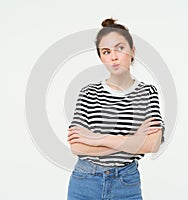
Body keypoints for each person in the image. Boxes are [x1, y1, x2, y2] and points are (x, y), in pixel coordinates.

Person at [67, 18, 165, 200]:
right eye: (106, 52)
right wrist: (133, 141)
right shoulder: (88, 93)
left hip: (126, 183)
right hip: (85, 182)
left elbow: (152, 144)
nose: (113, 57)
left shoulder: (147, 93)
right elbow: (77, 146)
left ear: (132, 51)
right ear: (101, 57)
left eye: (120, 48)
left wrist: (97, 139)